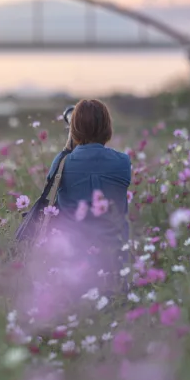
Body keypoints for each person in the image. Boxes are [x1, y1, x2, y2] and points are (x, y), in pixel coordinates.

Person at [46, 98, 132, 282]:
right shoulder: (123, 162)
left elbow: (52, 187)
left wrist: (69, 146)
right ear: (107, 127)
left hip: (73, 263)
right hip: (114, 260)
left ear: (73, 130)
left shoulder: (62, 163)